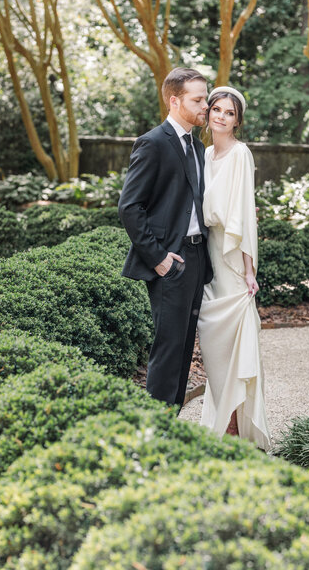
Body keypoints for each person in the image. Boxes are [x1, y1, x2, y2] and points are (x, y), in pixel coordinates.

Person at [118, 67, 212, 408]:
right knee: (169, 348)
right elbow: (130, 207)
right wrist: (158, 258)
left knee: (186, 347)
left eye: (205, 98)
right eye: (198, 99)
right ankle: (155, 434)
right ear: (175, 101)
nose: (206, 105)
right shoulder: (153, 142)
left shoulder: (198, 147)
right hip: (171, 261)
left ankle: (170, 432)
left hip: (199, 258)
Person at [198, 86, 271, 451]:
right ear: (208, 113)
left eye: (229, 113)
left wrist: (248, 270)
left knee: (233, 341)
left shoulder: (241, 154)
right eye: (216, 109)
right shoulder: (204, 153)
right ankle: (221, 419)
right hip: (206, 253)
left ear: (237, 120)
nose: (221, 116)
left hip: (230, 254)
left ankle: (234, 428)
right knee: (213, 342)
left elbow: (244, 212)